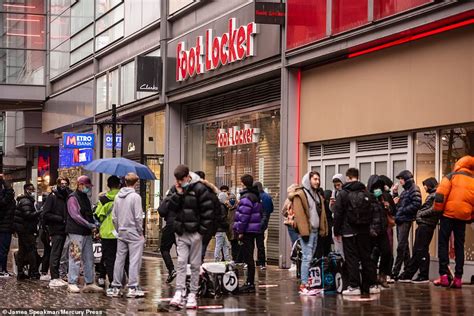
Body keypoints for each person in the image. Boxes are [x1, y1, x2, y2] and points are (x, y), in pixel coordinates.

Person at [160, 165, 216, 309]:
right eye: (177, 180)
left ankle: (192, 294)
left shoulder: (200, 189)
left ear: (187, 177)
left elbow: (208, 211)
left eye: (181, 179)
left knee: (195, 265)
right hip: (181, 232)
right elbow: (167, 209)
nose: (179, 182)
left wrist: (201, 231)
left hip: (195, 233)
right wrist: (177, 194)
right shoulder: (176, 189)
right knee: (181, 262)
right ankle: (179, 292)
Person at [334, 168, 378, 296]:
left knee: (352, 259)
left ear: (347, 178)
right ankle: (371, 285)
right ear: (358, 177)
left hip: (348, 231)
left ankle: (354, 286)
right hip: (364, 231)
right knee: (366, 258)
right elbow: (373, 211)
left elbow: (338, 214)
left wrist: (337, 231)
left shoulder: (343, 193)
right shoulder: (366, 192)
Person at [433, 155, 474, 288]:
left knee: (443, 243)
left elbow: (440, 195)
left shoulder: (451, 176)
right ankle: (458, 278)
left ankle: (444, 276)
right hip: (463, 216)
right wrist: (470, 215)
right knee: (459, 246)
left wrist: (437, 211)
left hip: (448, 214)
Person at [287, 171, 329, 295]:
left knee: (310, 258)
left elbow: (322, 215)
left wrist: (323, 229)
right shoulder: (301, 195)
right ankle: (304, 285)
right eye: (315, 179)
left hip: (315, 231)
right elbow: (300, 215)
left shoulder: (316, 195)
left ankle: (309, 283)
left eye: (318, 179)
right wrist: (304, 231)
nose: (317, 181)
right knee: (307, 257)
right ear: (308, 180)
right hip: (307, 231)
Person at [106, 173, 145, 298]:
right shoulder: (135, 197)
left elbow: (114, 217)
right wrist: (140, 231)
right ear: (136, 183)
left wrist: (118, 229)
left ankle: (116, 286)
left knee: (119, 259)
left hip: (121, 231)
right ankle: (132, 287)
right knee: (134, 259)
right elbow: (138, 217)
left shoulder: (118, 196)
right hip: (133, 231)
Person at [66, 175, 103, 293]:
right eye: (86, 186)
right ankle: (72, 282)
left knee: (89, 258)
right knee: (75, 256)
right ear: (80, 185)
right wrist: (89, 224)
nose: (88, 188)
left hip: (86, 232)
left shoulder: (85, 198)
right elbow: (75, 215)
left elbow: (89, 214)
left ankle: (89, 281)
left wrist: (93, 223)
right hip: (76, 232)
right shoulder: (73, 198)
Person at [399, 178, 439, 283]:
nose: (424, 187)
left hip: (426, 224)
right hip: (426, 224)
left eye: (425, 185)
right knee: (421, 250)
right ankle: (419, 274)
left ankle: (416, 274)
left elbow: (434, 209)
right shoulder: (434, 194)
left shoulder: (435, 195)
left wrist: (420, 214)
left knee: (419, 249)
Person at [233, 174, 263, 293]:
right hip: (253, 229)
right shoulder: (255, 196)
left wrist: (240, 231)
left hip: (247, 231)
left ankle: (249, 283)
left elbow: (243, 216)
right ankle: (249, 282)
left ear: (243, 183)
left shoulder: (246, 197)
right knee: (249, 256)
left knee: (248, 257)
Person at [392, 170, 422, 280]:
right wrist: (395, 194)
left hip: (405, 220)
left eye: (401, 179)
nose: (400, 181)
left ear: (406, 179)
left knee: (401, 246)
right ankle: (407, 272)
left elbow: (417, 203)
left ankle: (395, 272)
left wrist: (403, 210)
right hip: (400, 220)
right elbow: (399, 205)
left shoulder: (414, 188)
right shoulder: (405, 191)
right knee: (404, 247)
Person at [42, 177, 71, 288]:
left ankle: (57, 276)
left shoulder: (67, 196)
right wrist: (60, 219)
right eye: (62, 183)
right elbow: (46, 213)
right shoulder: (53, 197)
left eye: (65, 183)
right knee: (55, 253)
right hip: (56, 229)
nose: (63, 185)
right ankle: (54, 277)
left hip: (64, 229)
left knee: (60, 254)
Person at [95, 176, 122, 288]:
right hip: (121, 232)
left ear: (108, 185)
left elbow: (98, 216)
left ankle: (112, 281)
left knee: (109, 258)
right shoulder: (123, 197)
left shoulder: (103, 199)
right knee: (121, 258)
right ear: (119, 185)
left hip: (107, 233)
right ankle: (123, 280)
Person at [367, 175, 392, 288]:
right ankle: (371, 278)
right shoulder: (368, 198)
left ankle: (382, 275)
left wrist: (387, 206)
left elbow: (390, 211)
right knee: (372, 256)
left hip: (382, 230)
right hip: (372, 231)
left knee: (387, 252)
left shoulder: (382, 198)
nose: (377, 189)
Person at [13, 183, 40, 280]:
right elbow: (28, 215)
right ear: (26, 190)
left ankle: (20, 272)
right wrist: (39, 212)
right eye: (30, 189)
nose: (32, 191)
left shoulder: (23, 200)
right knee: (31, 250)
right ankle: (33, 272)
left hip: (23, 229)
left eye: (33, 189)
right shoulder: (26, 201)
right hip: (26, 230)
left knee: (23, 251)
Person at [195, 171, 220, 262]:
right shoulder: (212, 194)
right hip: (208, 227)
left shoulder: (192, 192)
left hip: (195, 227)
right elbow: (218, 212)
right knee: (202, 248)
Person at [254, 181, 274, 270]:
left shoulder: (256, 197)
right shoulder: (267, 197)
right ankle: (262, 262)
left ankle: (257, 261)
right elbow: (271, 209)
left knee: (253, 245)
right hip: (264, 223)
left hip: (255, 223)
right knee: (261, 244)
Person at [0, 177, 15, 277]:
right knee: (3, 250)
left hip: (6, 227)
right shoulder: (5, 200)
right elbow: (9, 193)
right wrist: (4, 181)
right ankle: (2, 270)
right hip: (4, 228)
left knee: (3, 250)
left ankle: (3, 269)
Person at [214, 192, 231, 261]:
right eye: (226, 198)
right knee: (219, 246)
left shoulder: (218, 206)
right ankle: (217, 260)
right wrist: (227, 224)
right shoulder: (222, 207)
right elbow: (222, 219)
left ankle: (227, 259)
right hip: (221, 230)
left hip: (220, 230)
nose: (227, 200)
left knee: (225, 245)